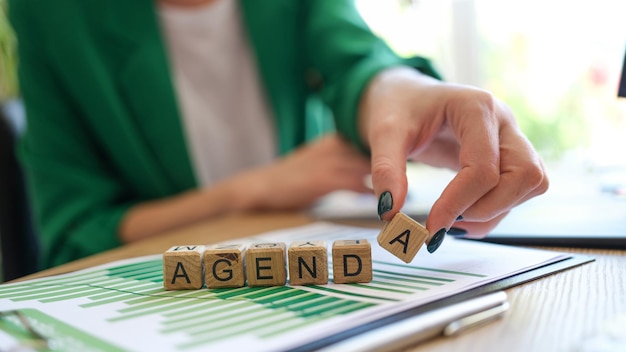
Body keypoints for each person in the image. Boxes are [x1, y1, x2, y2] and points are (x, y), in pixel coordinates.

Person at [9, 0, 548, 269]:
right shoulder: (48, 14)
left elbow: (356, 60)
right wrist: (250, 189)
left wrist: (398, 88)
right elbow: (71, 232)